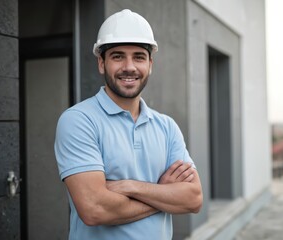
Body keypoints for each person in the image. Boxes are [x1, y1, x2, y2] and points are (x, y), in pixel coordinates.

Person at [54, 9, 203, 240]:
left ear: (150, 64)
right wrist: (163, 194)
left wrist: (130, 187)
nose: (129, 67)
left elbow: (193, 198)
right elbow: (95, 209)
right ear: (101, 63)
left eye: (139, 57)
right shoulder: (79, 121)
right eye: (118, 56)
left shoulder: (167, 127)